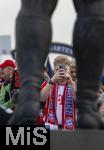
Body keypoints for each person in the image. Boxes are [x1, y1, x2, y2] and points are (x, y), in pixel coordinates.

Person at [9, 0, 104, 129]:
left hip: (67, 123)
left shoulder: (70, 83)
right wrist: (52, 81)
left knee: (35, 6)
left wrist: (70, 82)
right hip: (51, 123)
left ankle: (28, 99)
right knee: (92, 6)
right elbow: (44, 97)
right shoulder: (51, 83)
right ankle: (88, 107)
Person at [39, 55, 76, 130]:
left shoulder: (74, 85)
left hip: (69, 127)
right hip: (50, 126)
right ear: (54, 71)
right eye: (57, 69)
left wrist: (71, 83)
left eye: (65, 69)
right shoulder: (48, 84)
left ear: (69, 70)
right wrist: (51, 81)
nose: (61, 72)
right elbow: (41, 98)